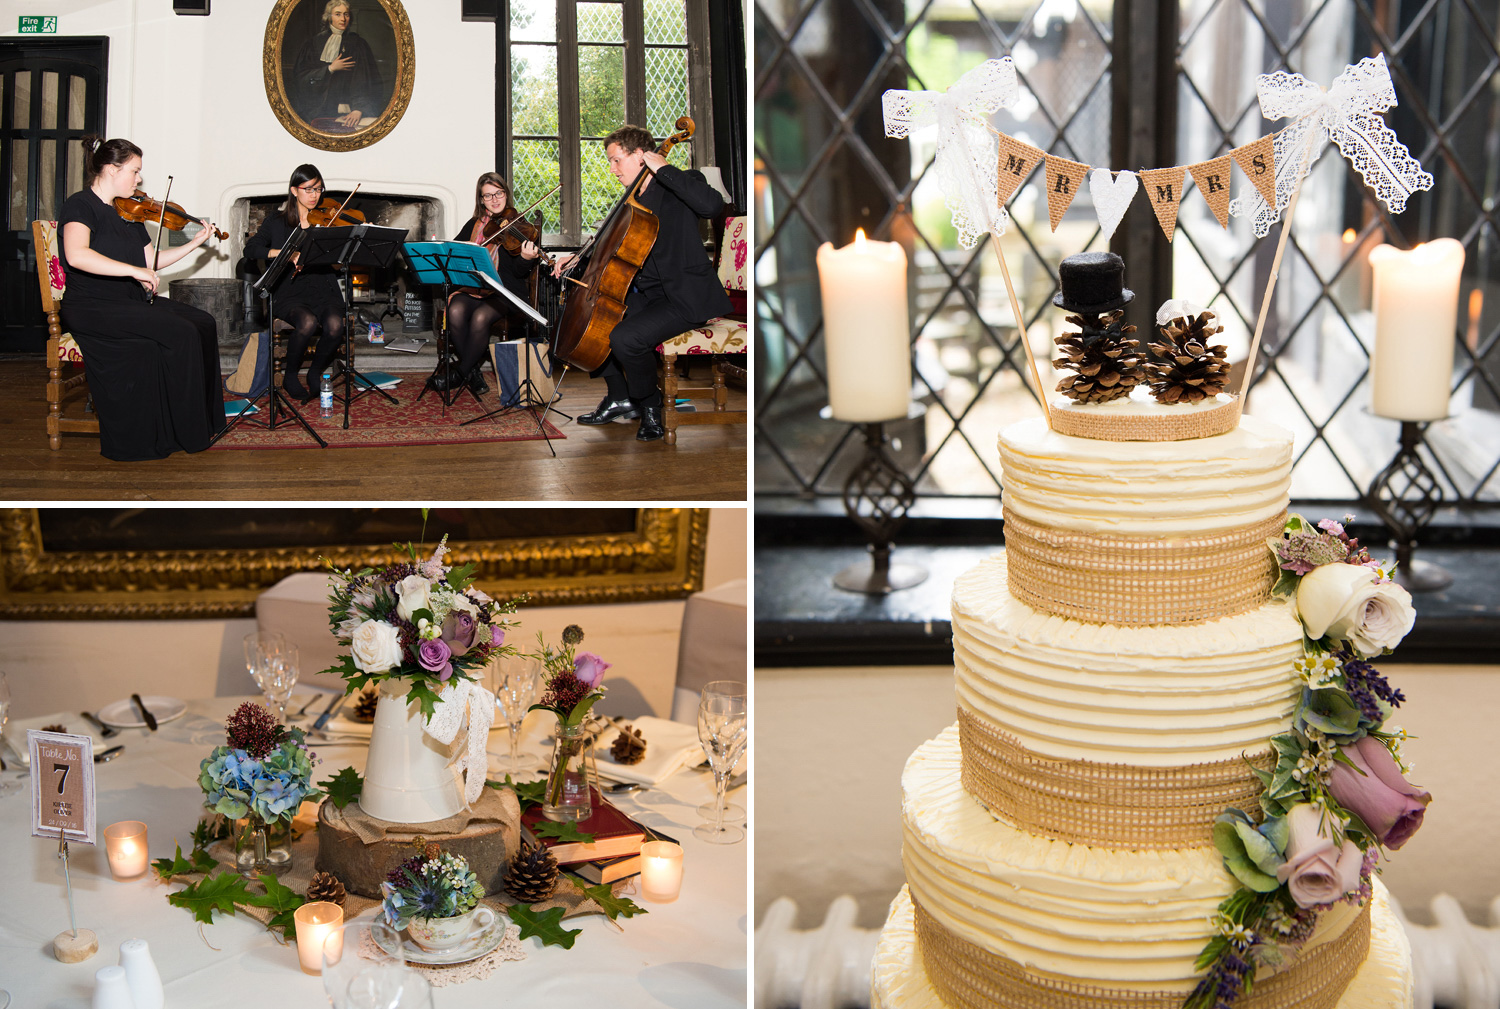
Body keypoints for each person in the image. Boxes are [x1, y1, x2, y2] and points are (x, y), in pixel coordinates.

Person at [552, 124, 731, 442]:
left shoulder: (683, 182)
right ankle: (619, 397)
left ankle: (650, 406)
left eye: (616, 160)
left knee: (626, 339)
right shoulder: (630, 200)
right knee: (586, 326)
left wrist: (664, 168)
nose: (612, 169)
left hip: (686, 296)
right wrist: (577, 258)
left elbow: (713, 206)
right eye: (611, 162)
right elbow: (607, 241)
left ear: (641, 155)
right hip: (649, 294)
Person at [57, 135, 227, 461]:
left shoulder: (128, 211)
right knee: (183, 332)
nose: (139, 179)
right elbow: (77, 256)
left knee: (203, 322)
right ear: (110, 168)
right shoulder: (80, 205)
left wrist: (196, 243)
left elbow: (150, 262)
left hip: (127, 300)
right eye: (134, 171)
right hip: (92, 305)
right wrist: (133, 272)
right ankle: (185, 432)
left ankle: (205, 422)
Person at [244, 165, 349, 403]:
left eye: (319, 189)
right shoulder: (277, 222)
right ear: (294, 190)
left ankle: (314, 372)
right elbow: (250, 249)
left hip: (323, 287)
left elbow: (336, 265)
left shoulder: (327, 223)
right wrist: (283, 254)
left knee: (335, 325)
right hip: (289, 290)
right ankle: (291, 375)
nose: (315, 195)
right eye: (308, 189)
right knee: (308, 322)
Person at [438, 172, 543, 395]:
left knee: (480, 317)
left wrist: (525, 259)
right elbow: (453, 251)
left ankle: (460, 373)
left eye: (499, 193)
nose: (494, 200)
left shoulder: (520, 227)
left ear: (506, 194)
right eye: (488, 196)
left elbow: (517, 273)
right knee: (454, 309)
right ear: (481, 200)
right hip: (475, 287)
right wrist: (462, 247)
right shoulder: (475, 224)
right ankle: (472, 369)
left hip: (505, 291)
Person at [291, 0, 383, 130]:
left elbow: (367, 80)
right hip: (318, 111)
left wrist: (359, 109)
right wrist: (330, 69)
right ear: (329, 17)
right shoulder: (313, 43)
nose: (343, 19)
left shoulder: (358, 44)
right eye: (338, 14)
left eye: (346, 14)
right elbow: (301, 78)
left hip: (350, 112)